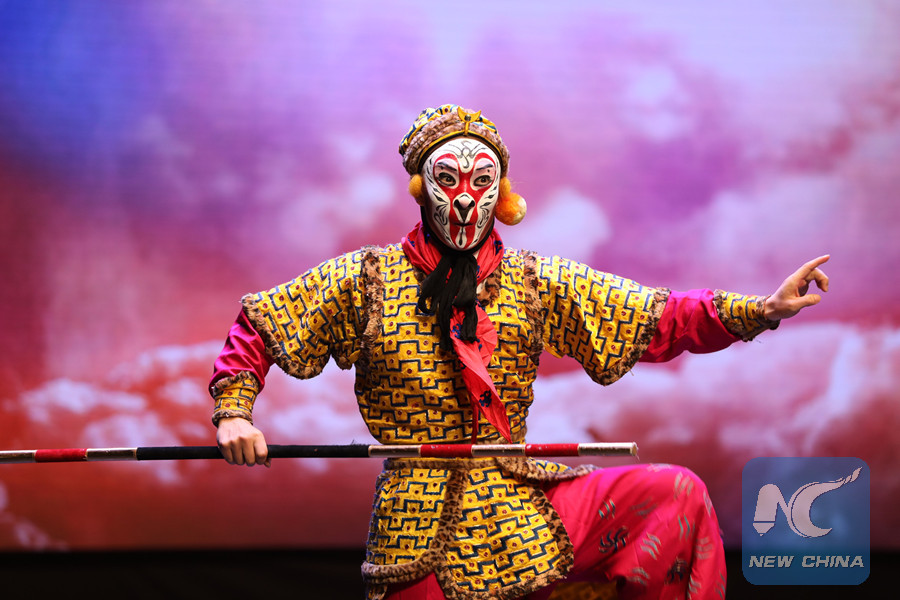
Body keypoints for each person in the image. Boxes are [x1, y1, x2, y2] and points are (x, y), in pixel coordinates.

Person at [210, 104, 829, 600]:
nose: (464, 198)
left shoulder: (532, 281)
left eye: (481, 181)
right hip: (417, 525)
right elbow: (263, 324)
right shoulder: (366, 278)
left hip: (521, 507)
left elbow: (657, 317)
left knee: (675, 494)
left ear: (499, 193)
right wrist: (235, 411)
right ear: (422, 189)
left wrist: (760, 310)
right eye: (448, 180)